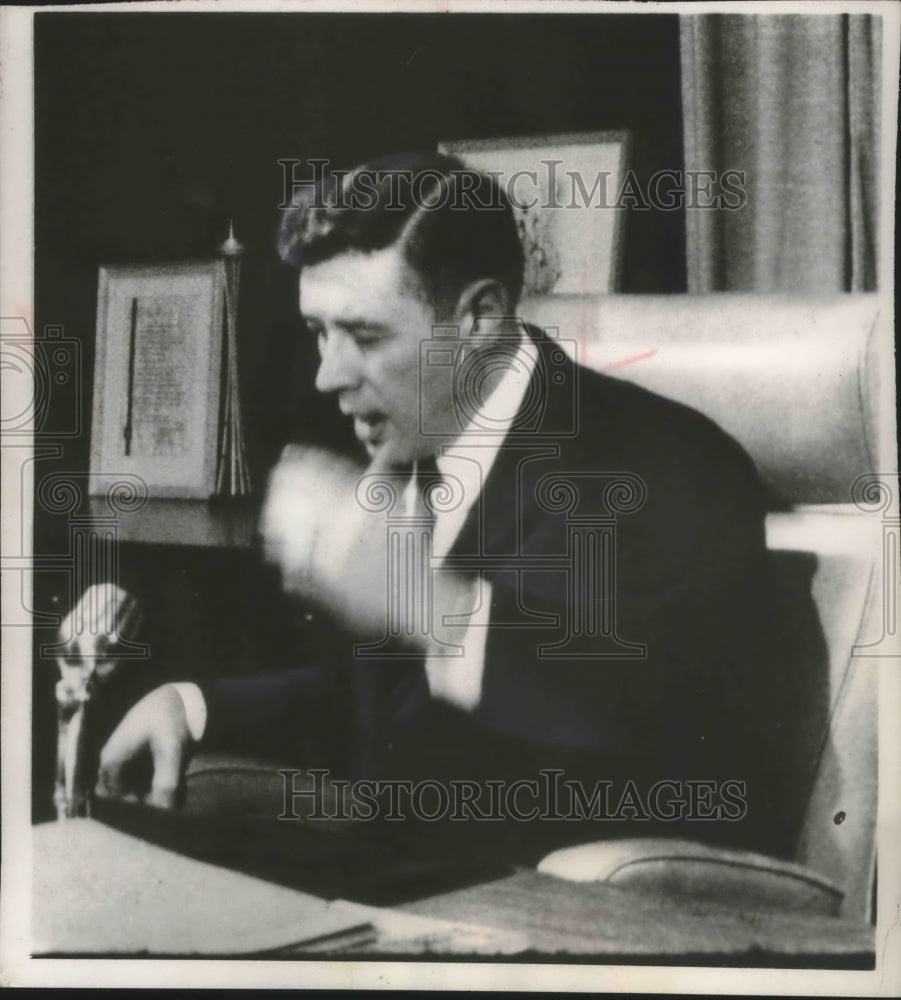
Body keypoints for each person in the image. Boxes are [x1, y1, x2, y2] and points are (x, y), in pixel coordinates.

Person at [96, 152, 796, 858]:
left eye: (366, 336)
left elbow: (681, 745)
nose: (326, 376)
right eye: (318, 332)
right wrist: (196, 705)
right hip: (411, 887)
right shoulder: (419, 445)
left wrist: (438, 610)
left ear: (480, 316)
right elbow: (386, 713)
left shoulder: (669, 466)